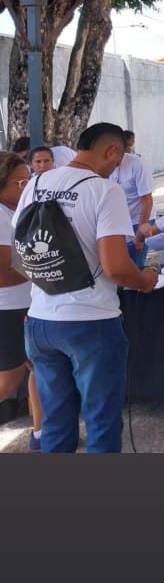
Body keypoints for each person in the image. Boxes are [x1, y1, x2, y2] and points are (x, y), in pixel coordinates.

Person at [14, 122, 158, 453]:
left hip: (40, 320)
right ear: (112, 151)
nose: (115, 168)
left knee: (55, 420)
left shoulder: (36, 182)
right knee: (101, 420)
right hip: (91, 321)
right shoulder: (104, 190)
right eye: (117, 161)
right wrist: (146, 280)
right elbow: (116, 266)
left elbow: (21, 243)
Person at [0, 151, 42, 450]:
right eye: (20, 181)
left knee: (40, 369)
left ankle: (41, 432)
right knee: (8, 381)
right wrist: (43, 269)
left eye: (29, 179)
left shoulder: (14, 211)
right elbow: (3, 274)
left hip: (26, 304)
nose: (27, 186)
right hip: (9, 308)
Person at [111, 147, 156, 268]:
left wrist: (140, 236)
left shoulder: (136, 164)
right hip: (117, 221)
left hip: (139, 219)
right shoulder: (102, 165)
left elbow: (147, 200)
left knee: (135, 264)